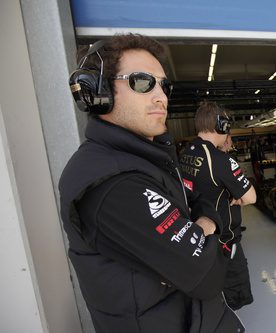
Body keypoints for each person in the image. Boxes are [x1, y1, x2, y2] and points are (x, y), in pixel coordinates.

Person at [59, 34, 244, 333]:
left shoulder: (150, 160)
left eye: (163, 85)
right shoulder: (111, 183)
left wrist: (202, 223)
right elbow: (208, 274)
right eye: (142, 82)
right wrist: (205, 225)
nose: (161, 96)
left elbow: (198, 203)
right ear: (99, 91)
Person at [180, 102, 257, 311]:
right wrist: (235, 196)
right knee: (235, 294)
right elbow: (251, 197)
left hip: (198, 235)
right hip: (224, 240)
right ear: (222, 126)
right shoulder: (220, 160)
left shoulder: (187, 153)